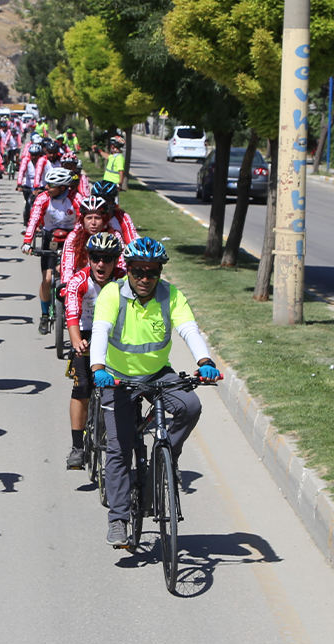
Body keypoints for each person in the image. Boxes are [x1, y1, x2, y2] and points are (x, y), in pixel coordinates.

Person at [90, 237, 220, 547]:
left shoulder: (170, 295)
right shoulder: (112, 294)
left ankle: (165, 457)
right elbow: (100, 330)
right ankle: (119, 519)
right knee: (120, 449)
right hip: (117, 378)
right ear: (128, 270)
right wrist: (98, 368)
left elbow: (189, 328)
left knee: (190, 406)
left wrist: (204, 361)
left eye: (152, 272)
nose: (145, 279)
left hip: (158, 373)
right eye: (138, 272)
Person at [62, 232, 125, 469]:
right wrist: (77, 342)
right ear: (88, 258)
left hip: (113, 336)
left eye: (107, 259)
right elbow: (71, 316)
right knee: (82, 386)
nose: (101, 264)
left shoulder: (123, 280)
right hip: (85, 335)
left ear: (116, 261)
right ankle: (77, 446)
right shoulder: (78, 281)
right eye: (96, 257)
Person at [22, 168, 82, 335]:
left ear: (63, 187)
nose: (46, 187)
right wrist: (27, 241)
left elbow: (83, 220)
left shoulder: (76, 198)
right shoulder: (43, 198)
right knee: (47, 279)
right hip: (50, 238)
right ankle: (45, 314)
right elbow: (33, 220)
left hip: (72, 238)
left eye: (51, 185)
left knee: (72, 276)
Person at [60, 195, 122, 287]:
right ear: (83, 220)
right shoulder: (74, 236)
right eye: (89, 218)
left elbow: (121, 265)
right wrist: (66, 286)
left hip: (109, 285)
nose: (93, 222)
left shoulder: (115, 236)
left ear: (104, 220)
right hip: (80, 285)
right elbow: (68, 266)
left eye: (97, 218)